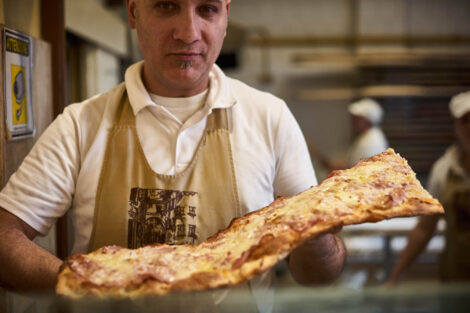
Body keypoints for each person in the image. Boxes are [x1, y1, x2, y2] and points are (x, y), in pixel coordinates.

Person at [0, 0, 345, 310]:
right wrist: (82, 286)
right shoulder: (81, 125)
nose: (188, 33)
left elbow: (317, 277)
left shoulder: (270, 118)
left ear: (226, 15)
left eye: (206, 9)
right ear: (134, 12)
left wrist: (317, 230)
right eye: (167, 6)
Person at [387, 91, 470, 285]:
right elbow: (425, 229)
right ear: (456, 127)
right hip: (456, 280)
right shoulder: (444, 169)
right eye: (465, 121)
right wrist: (396, 276)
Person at [313, 98, 388, 172]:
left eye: (357, 119)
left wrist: (331, 165)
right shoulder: (367, 136)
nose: (353, 122)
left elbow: (358, 170)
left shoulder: (371, 141)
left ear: (367, 120)